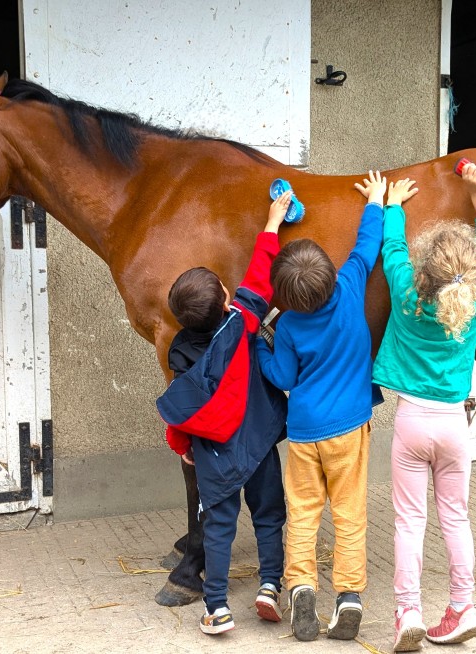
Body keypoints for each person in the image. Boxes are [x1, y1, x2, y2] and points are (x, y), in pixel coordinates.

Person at [372, 163, 476, 650]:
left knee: (410, 520)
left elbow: (390, 251)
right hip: (454, 428)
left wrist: (391, 207)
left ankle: (408, 611)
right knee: (456, 517)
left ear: (424, 264)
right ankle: (462, 604)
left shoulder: (408, 292)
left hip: (411, 424)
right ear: (472, 273)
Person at [156, 191, 294, 635]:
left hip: (213, 454)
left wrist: (184, 448)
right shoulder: (241, 323)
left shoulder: (179, 353)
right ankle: (270, 584)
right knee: (269, 514)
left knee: (217, 527)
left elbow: (180, 411)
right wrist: (272, 223)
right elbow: (260, 276)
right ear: (224, 296)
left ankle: (216, 606)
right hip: (256, 445)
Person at [256, 170, 386, 642]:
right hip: (350, 428)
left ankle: (302, 588)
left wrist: (262, 348)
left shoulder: (288, 326)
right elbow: (366, 247)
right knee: (349, 513)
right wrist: (375, 202)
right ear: (331, 273)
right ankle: (348, 597)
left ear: (285, 297)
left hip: (305, 430)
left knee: (304, 512)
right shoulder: (350, 288)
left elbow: (284, 378)